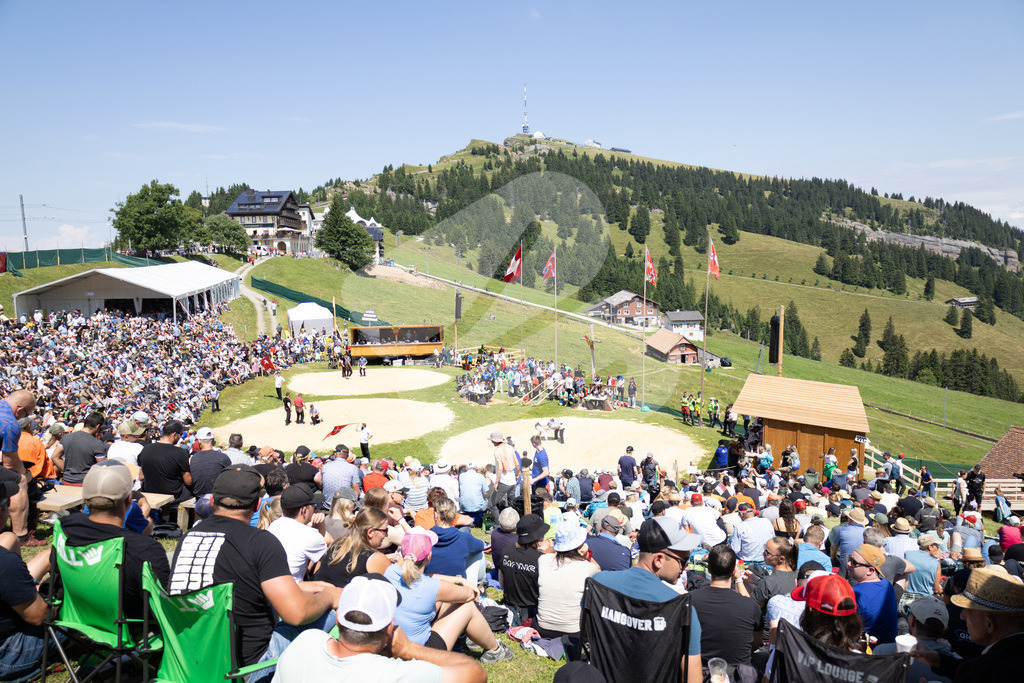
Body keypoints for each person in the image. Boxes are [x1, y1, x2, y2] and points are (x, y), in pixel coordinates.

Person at [170, 465, 341, 674]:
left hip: (188, 657)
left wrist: (301, 586)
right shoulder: (259, 542)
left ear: (213, 501)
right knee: (332, 613)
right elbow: (297, 614)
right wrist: (330, 596)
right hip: (248, 666)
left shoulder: (187, 539)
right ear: (258, 504)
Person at [270, 575, 486, 683]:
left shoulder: (305, 643)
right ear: (390, 628)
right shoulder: (396, 674)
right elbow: (476, 674)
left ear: (337, 619)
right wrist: (411, 650)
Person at [588, 517, 704, 682]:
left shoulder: (598, 583)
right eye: (683, 561)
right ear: (658, 560)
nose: (685, 567)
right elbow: (693, 680)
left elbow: (586, 632)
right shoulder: (682, 609)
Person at [56, 460, 170, 619]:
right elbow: (165, 605)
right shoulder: (145, 548)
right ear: (129, 500)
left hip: (75, 617)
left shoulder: (64, 528)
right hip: (126, 629)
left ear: (84, 497)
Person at [384, 529, 513, 662]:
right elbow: (469, 595)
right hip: (421, 655)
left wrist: (457, 580)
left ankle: (472, 636)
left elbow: (422, 577)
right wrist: (467, 586)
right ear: (429, 556)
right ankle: (496, 651)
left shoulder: (390, 572)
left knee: (443, 602)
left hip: (393, 647)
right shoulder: (433, 587)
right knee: (467, 606)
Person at [914, 566, 1024, 682]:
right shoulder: (1010, 657)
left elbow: (978, 673)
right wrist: (938, 660)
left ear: (989, 625)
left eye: (967, 611)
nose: (962, 617)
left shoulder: (987, 669)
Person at [0, 474, 58, 681]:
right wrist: (55, 599)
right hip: (6, 655)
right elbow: (39, 617)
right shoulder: (5, 562)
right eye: (7, 503)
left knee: (45, 556)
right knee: (70, 619)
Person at [688, 545, 761, 666]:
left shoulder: (689, 600)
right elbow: (755, 642)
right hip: (739, 674)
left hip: (701, 670)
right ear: (734, 571)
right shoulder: (750, 605)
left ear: (709, 569)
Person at [536, 523, 601, 639]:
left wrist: (555, 546)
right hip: (573, 631)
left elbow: (545, 553)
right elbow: (599, 571)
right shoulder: (588, 568)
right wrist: (587, 556)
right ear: (579, 547)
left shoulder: (543, 560)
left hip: (542, 628)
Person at [873, 595, 953, 683]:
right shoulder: (960, 666)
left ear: (912, 621)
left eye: (908, 613)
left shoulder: (881, 652)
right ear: (945, 630)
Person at [315, 507, 392, 588]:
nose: (386, 535)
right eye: (385, 531)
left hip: (319, 595)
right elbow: (394, 589)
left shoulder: (337, 543)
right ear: (371, 532)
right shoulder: (375, 558)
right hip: (342, 599)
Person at [268, 484, 328, 582]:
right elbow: (326, 557)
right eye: (313, 505)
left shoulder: (274, 525)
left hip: (271, 586)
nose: (315, 508)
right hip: (292, 589)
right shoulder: (309, 535)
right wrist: (321, 523)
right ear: (304, 510)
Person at [498, 514, 550, 622]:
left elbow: (502, 584)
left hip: (509, 606)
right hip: (533, 611)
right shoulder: (541, 559)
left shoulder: (506, 551)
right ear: (538, 537)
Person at [846, 544, 898, 644]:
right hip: (889, 647)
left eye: (854, 562)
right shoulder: (887, 585)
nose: (848, 563)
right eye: (849, 559)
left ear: (870, 570)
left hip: (867, 651)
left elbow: (847, 630)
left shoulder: (855, 593)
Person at [425, 498, 486, 581]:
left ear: (436, 515)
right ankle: (480, 585)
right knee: (479, 553)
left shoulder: (424, 537)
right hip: (458, 588)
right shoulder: (464, 538)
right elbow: (480, 546)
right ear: (454, 516)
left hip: (431, 587)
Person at [138, 420, 193, 504]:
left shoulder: (146, 448)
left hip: (150, 491)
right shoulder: (180, 452)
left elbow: (141, 477)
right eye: (180, 434)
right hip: (172, 494)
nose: (180, 437)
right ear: (174, 434)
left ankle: (164, 516)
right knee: (195, 491)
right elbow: (188, 481)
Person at [58, 411, 108, 484]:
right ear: (97, 426)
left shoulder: (66, 437)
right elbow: (102, 467)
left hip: (67, 480)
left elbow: (54, 457)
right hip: (86, 483)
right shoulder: (97, 443)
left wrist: (66, 471)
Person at [189, 426, 231, 497]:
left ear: (199, 441)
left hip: (199, 497)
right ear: (213, 440)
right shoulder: (223, 457)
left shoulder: (193, 458)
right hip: (218, 497)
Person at [487, 430, 517, 523]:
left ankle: (498, 525)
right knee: (512, 504)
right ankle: (514, 523)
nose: (492, 442)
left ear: (496, 441)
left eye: (492, 440)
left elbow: (500, 468)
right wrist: (517, 475)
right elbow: (517, 463)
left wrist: (496, 482)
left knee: (491, 504)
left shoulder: (497, 451)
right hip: (513, 481)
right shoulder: (510, 447)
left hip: (504, 482)